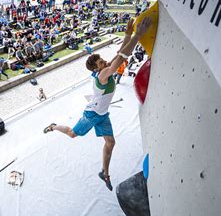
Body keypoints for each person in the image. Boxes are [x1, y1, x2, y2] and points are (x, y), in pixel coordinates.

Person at [43, 17, 151, 191]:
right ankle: (54, 126)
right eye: (100, 62)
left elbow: (119, 54)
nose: (104, 61)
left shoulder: (103, 71)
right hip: (92, 114)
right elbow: (121, 57)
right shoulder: (103, 75)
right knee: (72, 134)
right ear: (96, 68)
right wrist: (137, 36)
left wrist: (128, 34)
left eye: (102, 59)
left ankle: (104, 172)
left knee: (110, 143)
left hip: (102, 114)